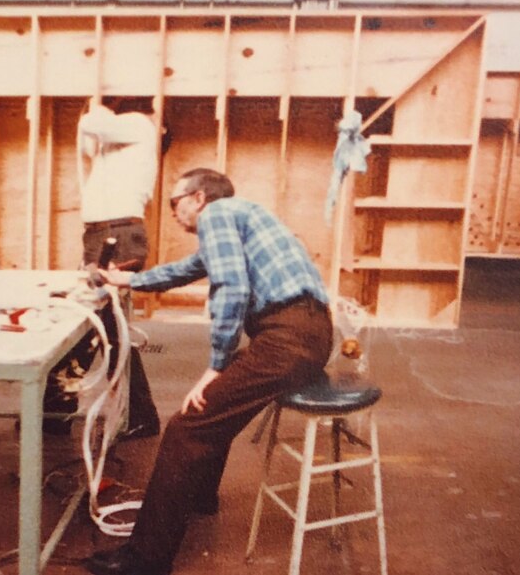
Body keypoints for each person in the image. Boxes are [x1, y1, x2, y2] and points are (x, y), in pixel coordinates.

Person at [84, 168, 334, 575]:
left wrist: (216, 364)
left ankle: (144, 561)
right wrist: (125, 279)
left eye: (174, 203)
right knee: (214, 413)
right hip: (308, 335)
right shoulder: (241, 218)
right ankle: (200, 497)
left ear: (198, 198)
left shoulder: (217, 216)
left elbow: (231, 288)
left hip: (287, 339)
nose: (174, 213)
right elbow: (184, 270)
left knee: (188, 425)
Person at [42, 97, 161, 440]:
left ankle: (135, 414)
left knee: (108, 327)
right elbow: (86, 139)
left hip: (117, 233)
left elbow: (92, 124)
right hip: (102, 233)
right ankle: (57, 408)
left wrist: (96, 106)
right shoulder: (117, 145)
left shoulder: (139, 124)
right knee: (95, 324)